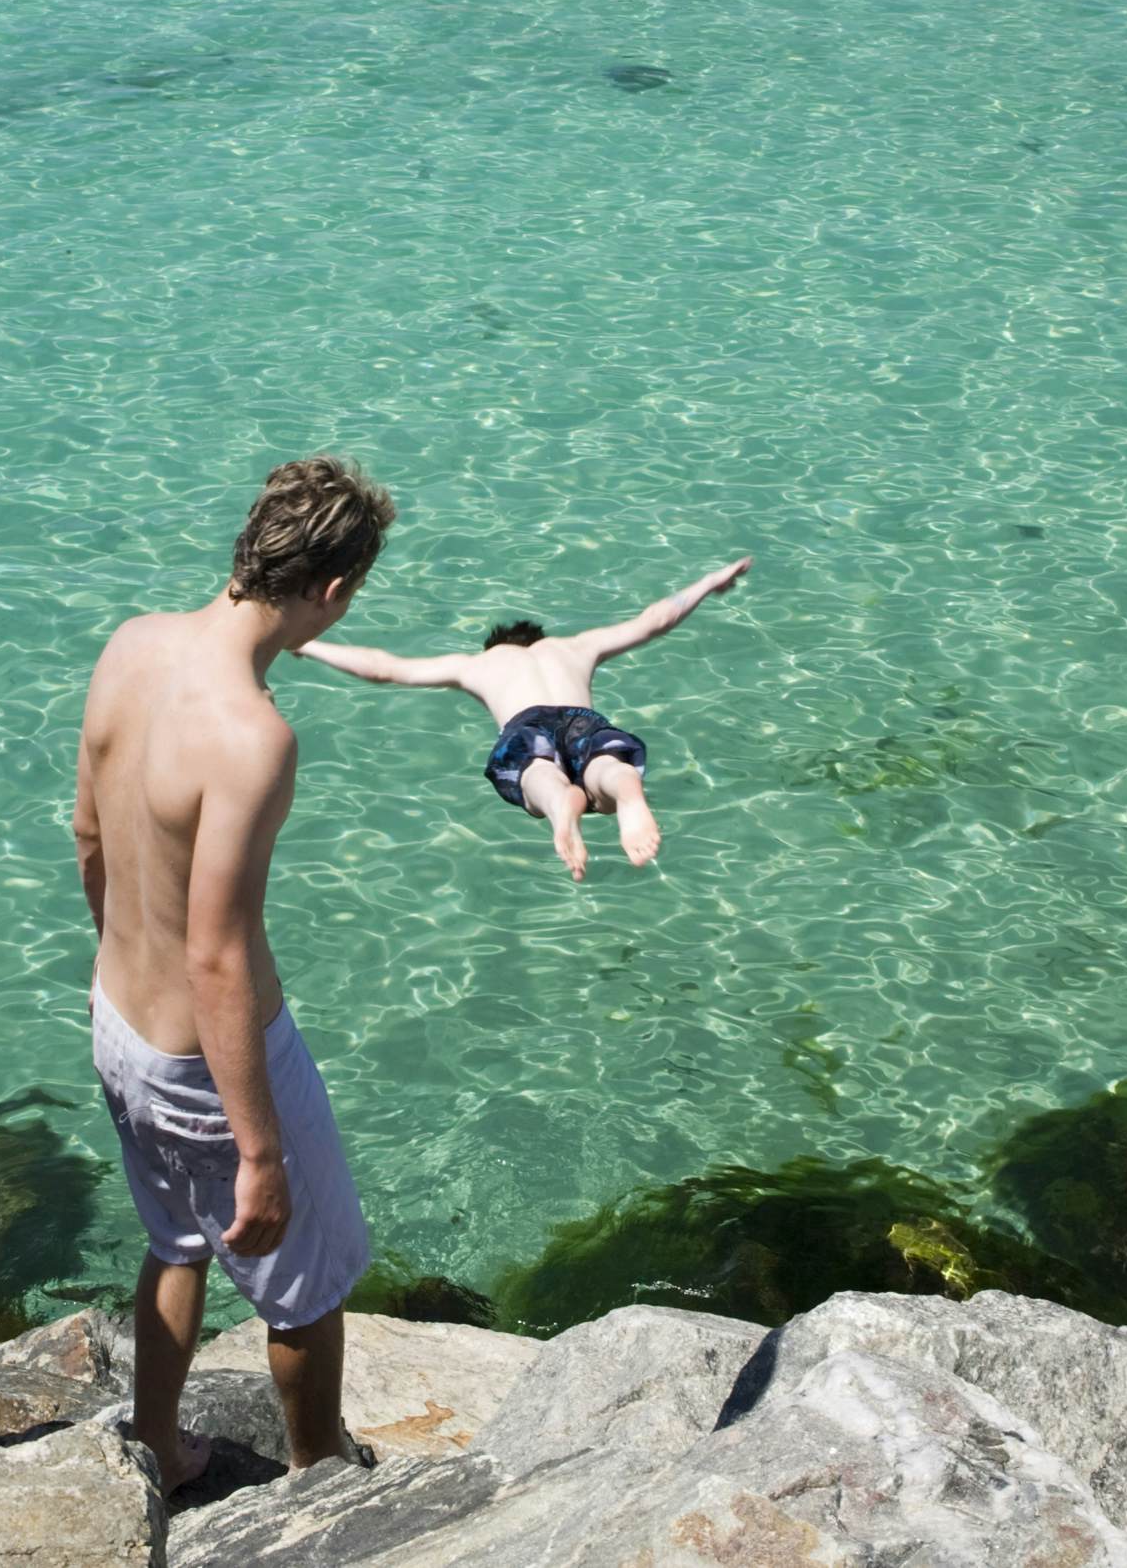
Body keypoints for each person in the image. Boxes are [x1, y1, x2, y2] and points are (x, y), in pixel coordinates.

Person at [75, 458, 391, 1491]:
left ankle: (159, 1449)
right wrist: (259, 1149)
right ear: (334, 589)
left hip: (119, 1023)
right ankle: (317, 1473)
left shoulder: (132, 644)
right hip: (213, 1063)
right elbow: (216, 951)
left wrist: (128, 969)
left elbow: (88, 833)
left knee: (177, 1242)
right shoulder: (254, 736)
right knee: (306, 1283)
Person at [296, 558, 746, 878]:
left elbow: (383, 667)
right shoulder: (575, 646)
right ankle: (624, 790)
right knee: (603, 764)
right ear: (539, 640)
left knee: (535, 774)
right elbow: (657, 618)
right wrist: (709, 582)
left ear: (498, 647)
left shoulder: (479, 664)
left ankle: (557, 807)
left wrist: (305, 644)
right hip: (581, 719)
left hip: (525, 726)